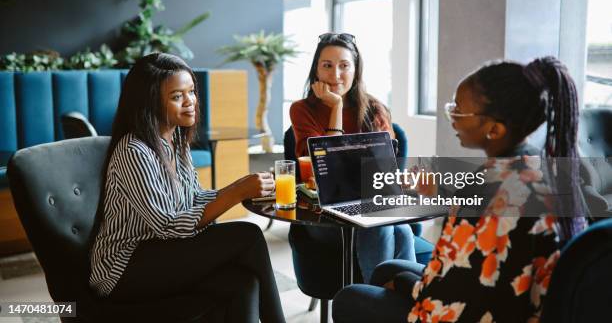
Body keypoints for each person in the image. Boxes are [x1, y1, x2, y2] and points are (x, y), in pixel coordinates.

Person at [332, 56, 587, 322]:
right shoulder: (542, 167)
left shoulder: (494, 190)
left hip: (484, 313)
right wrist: (438, 195)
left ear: (494, 129)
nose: (452, 117)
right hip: (524, 300)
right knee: (387, 270)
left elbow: (453, 295)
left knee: (349, 298)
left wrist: (409, 286)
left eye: (459, 110)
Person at [89, 53, 285, 323]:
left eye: (191, 91)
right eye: (176, 96)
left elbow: (194, 199)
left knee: (244, 282)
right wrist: (236, 193)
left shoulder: (175, 140)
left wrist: (242, 186)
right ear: (149, 102)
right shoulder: (134, 151)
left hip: (163, 251)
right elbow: (168, 225)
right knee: (248, 235)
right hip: (124, 268)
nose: (190, 101)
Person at [289, 32, 417, 284]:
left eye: (344, 66)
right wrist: (336, 107)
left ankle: (396, 306)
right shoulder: (302, 110)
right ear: (316, 70)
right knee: (386, 226)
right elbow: (323, 172)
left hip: (371, 205)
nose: (335, 75)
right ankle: (376, 306)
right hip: (324, 218)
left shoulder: (375, 109)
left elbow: (384, 174)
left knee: (400, 230)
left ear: (356, 70)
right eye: (327, 65)